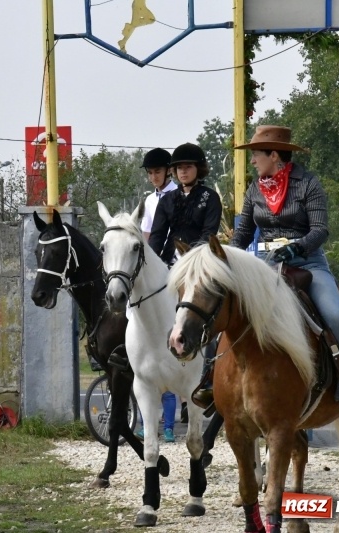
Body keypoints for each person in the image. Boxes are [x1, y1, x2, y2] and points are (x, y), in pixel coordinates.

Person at [229, 125, 339, 413]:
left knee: (337, 317)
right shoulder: (255, 189)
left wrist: (296, 248)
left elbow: (320, 230)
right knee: (225, 308)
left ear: (273, 155)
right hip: (265, 266)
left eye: (256, 154)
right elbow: (242, 234)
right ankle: (210, 379)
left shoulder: (308, 183)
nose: (253, 161)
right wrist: (225, 256)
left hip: (307, 263)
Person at [147, 143, 222, 412]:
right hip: (170, 262)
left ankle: (211, 371)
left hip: (199, 262)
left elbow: (209, 232)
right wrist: (152, 263)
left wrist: (188, 259)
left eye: (187, 167)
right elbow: (156, 236)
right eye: (179, 168)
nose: (183, 172)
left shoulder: (210, 197)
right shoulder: (166, 200)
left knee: (210, 308)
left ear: (197, 169)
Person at [136, 148, 181, 442]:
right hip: (156, 264)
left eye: (158, 172)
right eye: (150, 173)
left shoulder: (177, 195)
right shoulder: (149, 200)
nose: (154, 177)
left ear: (168, 171)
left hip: (177, 261)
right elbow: (145, 237)